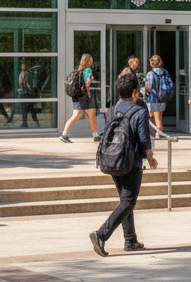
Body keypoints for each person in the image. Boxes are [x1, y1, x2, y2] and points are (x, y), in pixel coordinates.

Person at [89, 71, 158, 256]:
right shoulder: (140, 111)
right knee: (128, 201)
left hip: (112, 159)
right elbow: (144, 140)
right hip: (131, 162)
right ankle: (101, 234)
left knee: (125, 200)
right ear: (136, 90)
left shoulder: (112, 110)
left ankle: (130, 240)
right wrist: (150, 157)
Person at [59, 53, 99, 143]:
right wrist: (91, 79)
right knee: (91, 115)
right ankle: (96, 135)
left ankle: (65, 134)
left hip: (77, 96)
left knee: (77, 115)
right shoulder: (88, 70)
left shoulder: (78, 71)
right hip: (85, 97)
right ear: (88, 61)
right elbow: (87, 84)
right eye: (91, 60)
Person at [145, 54, 171, 135]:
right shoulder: (165, 72)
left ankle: (158, 136)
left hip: (153, 99)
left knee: (157, 120)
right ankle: (159, 135)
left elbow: (148, 87)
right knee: (159, 118)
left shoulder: (150, 74)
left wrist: (146, 94)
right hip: (163, 98)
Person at [17, 63, 41, 128]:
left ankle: (25, 123)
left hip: (25, 93)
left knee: (25, 108)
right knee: (29, 109)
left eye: (23, 65)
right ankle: (32, 122)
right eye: (22, 65)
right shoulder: (23, 73)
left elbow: (26, 83)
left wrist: (29, 90)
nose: (22, 66)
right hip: (24, 92)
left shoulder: (25, 73)